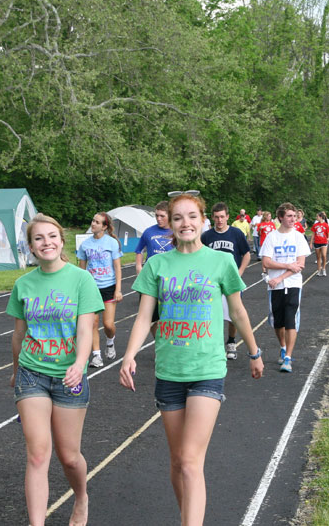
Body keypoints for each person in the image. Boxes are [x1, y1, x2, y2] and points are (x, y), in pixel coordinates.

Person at [119, 194, 263, 526]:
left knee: (189, 461)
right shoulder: (157, 265)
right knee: (176, 462)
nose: (186, 223)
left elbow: (238, 311)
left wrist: (254, 352)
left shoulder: (220, 262)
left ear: (203, 221)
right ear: (169, 222)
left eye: (193, 216)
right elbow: (144, 318)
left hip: (207, 369)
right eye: (179, 217)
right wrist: (128, 356)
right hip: (169, 370)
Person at [7, 213, 104, 526]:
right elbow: (19, 335)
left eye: (51, 236)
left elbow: (86, 330)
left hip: (69, 377)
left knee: (69, 456)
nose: (46, 242)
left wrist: (79, 363)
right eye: (38, 238)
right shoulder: (23, 285)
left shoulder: (81, 279)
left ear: (62, 242)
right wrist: (14, 370)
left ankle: (81, 496)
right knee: (37, 454)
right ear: (31, 247)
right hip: (31, 374)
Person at [260, 202, 311, 373]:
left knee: (291, 320)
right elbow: (266, 262)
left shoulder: (298, 237)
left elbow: (300, 264)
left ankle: (288, 357)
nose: (293, 219)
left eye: (295, 216)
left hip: (293, 284)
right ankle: (282, 346)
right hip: (274, 286)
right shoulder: (272, 237)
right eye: (289, 216)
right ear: (280, 217)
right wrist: (288, 265)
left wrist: (283, 274)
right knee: (278, 321)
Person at [201, 202, 251, 359]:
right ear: (212, 218)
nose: (219, 220)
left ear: (228, 217)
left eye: (222, 217)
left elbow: (247, 254)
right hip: (212, 282)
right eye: (216, 217)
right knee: (210, 314)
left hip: (231, 281)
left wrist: (240, 272)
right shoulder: (207, 236)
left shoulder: (236, 233)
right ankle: (212, 344)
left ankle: (231, 342)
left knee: (233, 315)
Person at [78, 212, 123, 368]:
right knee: (93, 323)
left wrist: (118, 289)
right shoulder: (85, 245)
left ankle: (110, 342)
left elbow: (117, 267)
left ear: (104, 226)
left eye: (97, 222)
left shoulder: (111, 243)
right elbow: (82, 270)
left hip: (109, 287)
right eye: (93, 221)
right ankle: (96, 356)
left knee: (108, 324)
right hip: (92, 288)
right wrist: (81, 289)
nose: (93, 224)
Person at [135, 201, 173, 337]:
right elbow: (139, 249)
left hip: (170, 280)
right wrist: (139, 266)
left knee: (169, 316)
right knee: (150, 317)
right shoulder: (149, 232)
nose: (158, 219)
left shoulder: (177, 232)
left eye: (162, 216)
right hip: (151, 279)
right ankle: (159, 342)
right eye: (156, 216)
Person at [311, 212, 329, 276]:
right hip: (317, 242)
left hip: (324, 242)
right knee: (318, 257)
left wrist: (328, 238)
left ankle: (324, 269)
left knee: (324, 255)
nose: (316, 218)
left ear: (320, 217)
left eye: (317, 216)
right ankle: (319, 270)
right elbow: (313, 234)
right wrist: (311, 243)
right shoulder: (315, 225)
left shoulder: (326, 225)